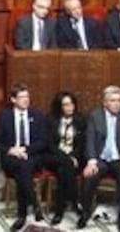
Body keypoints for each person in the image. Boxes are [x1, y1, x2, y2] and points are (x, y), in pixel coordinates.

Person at [78, 85, 120, 230]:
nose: (117, 103)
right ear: (105, 102)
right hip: (101, 159)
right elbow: (90, 139)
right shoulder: (95, 115)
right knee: (89, 176)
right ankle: (85, 212)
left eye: (119, 100)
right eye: (112, 100)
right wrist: (91, 161)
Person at [0, 84, 46, 230]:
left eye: (27, 97)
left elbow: (43, 142)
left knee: (23, 170)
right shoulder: (4, 116)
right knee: (22, 169)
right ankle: (34, 204)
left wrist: (25, 149)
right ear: (13, 99)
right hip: (11, 157)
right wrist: (11, 150)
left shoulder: (37, 115)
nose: (26, 100)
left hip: (32, 156)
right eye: (22, 97)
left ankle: (22, 215)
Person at [42, 92, 86, 225]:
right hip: (54, 157)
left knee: (63, 171)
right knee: (66, 165)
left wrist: (73, 156)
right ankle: (76, 201)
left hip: (75, 158)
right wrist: (66, 158)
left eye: (72, 104)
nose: (70, 107)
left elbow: (82, 144)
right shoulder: (51, 119)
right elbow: (49, 144)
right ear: (59, 107)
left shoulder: (80, 119)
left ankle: (59, 211)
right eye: (66, 105)